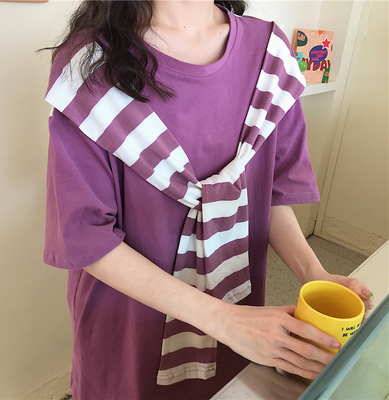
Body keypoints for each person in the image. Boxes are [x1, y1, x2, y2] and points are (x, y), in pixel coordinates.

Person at [43, 1, 373, 399]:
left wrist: (313, 273)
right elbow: (87, 236)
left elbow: (266, 193)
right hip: (131, 321)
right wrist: (223, 320)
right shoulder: (89, 65)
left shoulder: (269, 55)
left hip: (238, 307)